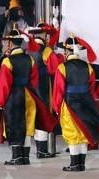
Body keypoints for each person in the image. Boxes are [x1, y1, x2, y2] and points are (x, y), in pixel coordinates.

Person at [0, 28, 57, 165]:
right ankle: (26, 157)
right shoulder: (30, 59)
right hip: (29, 95)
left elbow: (4, 84)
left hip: (14, 96)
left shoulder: (7, 61)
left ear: (10, 44)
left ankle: (17, 157)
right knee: (28, 125)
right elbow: (34, 79)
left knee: (14, 124)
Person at [52, 35, 99, 172]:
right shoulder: (88, 67)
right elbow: (91, 88)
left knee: (72, 133)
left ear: (67, 52)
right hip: (86, 103)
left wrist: (57, 107)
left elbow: (58, 90)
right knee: (84, 132)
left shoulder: (62, 68)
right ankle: (81, 164)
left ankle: (74, 164)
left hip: (70, 103)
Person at [26, 22, 61, 159]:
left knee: (38, 117)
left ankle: (41, 150)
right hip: (44, 87)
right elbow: (55, 68)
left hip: (32, 87)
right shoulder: (45, 51)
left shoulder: (29, 49)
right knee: (44, 117)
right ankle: (42, 151)